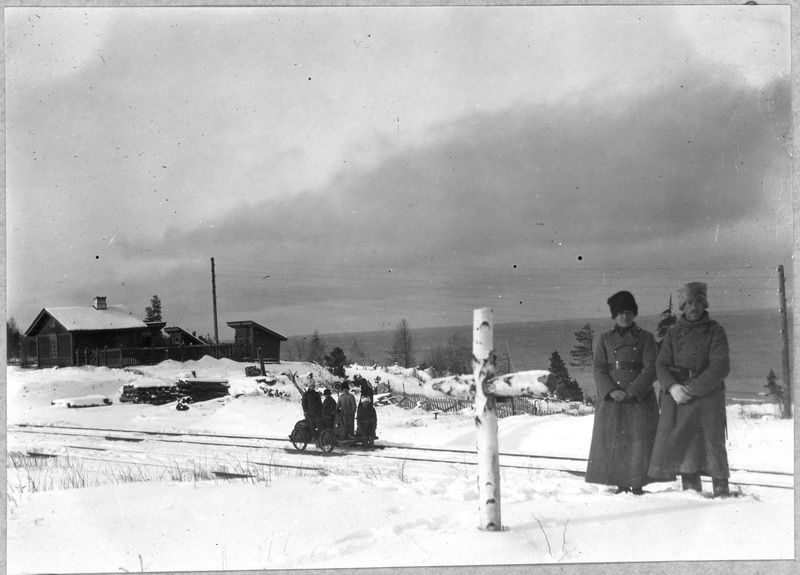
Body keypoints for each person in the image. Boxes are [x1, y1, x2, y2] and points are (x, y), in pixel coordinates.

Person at [648, 282, 732, 497]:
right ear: (682, 307)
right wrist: (673, 387)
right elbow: (661, 364)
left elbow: (720, 366)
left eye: (697, 302)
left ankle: (723, 496)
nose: (693, 307)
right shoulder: (674, 333)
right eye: (688, 303)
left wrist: (692, 388)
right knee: (687, 446)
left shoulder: (715, 331)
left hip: (708, 397)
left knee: (713, 445)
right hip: (681, 399)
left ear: (704, 304)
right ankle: (691, 496)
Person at [586, 291, 659, 495]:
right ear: (614, 316)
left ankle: (637, 485)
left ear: (634, 313)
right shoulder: (604, 339)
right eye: (619, 313)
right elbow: (599, 368)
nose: (623, 317)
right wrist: (611, 390)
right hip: (612, 400)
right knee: (614, 440)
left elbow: (651, 368)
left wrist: (633, 391)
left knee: (638, 441)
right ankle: (620, 485)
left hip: (639, 399)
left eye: (627, 312)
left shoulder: (646, 338)